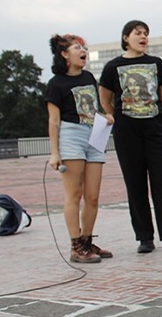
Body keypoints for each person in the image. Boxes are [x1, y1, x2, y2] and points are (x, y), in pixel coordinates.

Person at [99, 20, 162, 253]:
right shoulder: (112, 66)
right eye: (138, 33)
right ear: (126, 37)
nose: (143, 36)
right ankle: (144, 237)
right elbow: (104, 94)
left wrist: (155, 107)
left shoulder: (156, 63)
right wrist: (110, 113)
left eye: (146, 33)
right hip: (126, 130)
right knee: (135, 182)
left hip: (154, 128)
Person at [46, 34, 114, 263]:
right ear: (65, 54)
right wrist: (55, 152)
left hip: (93, 133)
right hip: (71, 135)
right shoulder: (56, 84)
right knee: (74, 194)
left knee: (93, 196)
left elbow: (90, 108)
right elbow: (53, 121)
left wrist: (104, 117)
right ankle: (76, 246)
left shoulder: (88, 77)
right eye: (77, 47)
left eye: (84, 47)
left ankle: (87, 241)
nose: (83, 50)